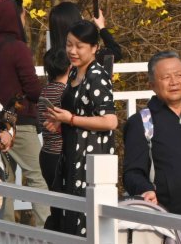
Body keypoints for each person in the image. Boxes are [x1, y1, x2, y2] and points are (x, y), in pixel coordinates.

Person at [121, 52, 181, 244]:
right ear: (152, 85)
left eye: (179, 75)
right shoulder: (141, 122)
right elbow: (132, 173)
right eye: (166, 77)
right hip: (175, 223)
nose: (174, 82)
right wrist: (145, 190)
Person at [45, 20, 119, 235]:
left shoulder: (97, 76)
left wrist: (72, 120)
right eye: (69, 44)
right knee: (70, 215)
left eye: (79, 46)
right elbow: (78, 110)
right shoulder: (74, 73)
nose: (72, 51)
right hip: (72, 153)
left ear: (94, 48)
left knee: (87, 220)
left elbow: (110, 121)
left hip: (91, 157)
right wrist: (60, 119)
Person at [0, 0, 50, 223]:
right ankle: (46, 231)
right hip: (19, 123)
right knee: (37, 176)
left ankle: (5, 233)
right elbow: (32, 88)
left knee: (6, 180)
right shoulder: (17, 47)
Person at [36, 45, 69, 205]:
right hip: (61, 156)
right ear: (70, 66)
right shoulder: (66, 93)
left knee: (55, 205)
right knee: (67, 205)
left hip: (47, 154)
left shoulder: (45, 91)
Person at [47, 0, 123, 67]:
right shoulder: (86, 55)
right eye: (80, 16)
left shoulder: (50, 58)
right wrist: (102, 27)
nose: (83, 18)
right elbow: (116, 53)